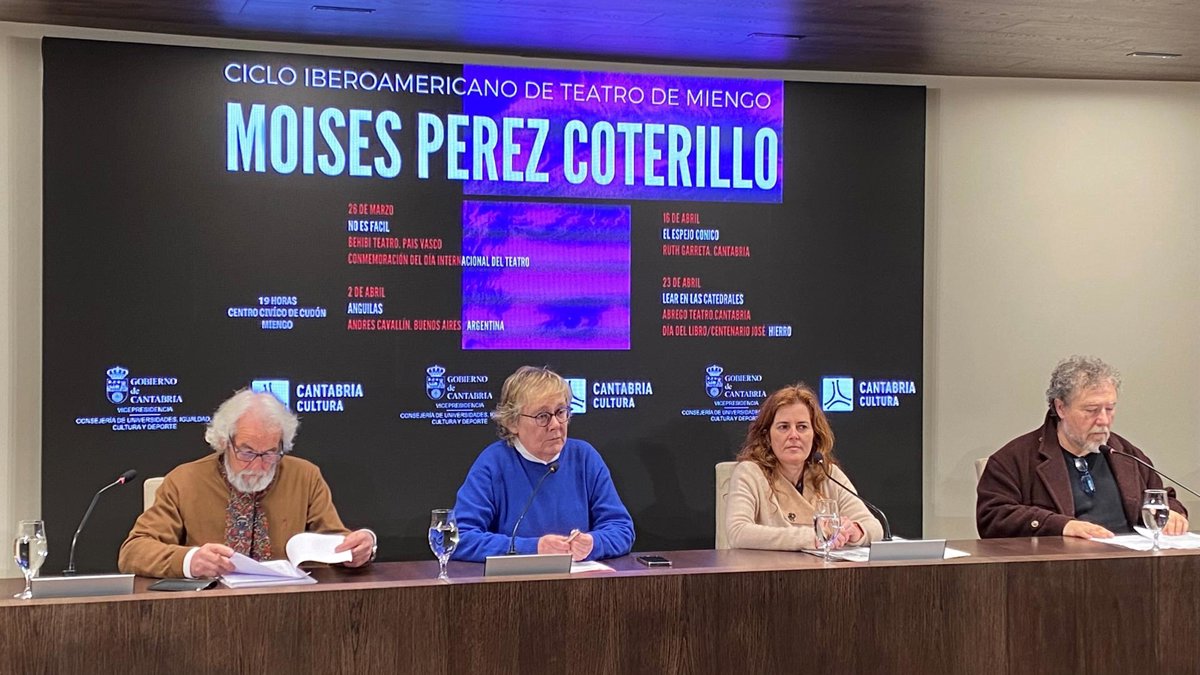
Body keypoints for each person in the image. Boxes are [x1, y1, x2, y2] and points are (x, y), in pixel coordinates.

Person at [117, 390, 376, 578]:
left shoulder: (305, 476)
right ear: (224, 442)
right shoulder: (184, 480)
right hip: (206, 612)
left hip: (289, 608)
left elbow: (335, 541)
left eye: (270, 453)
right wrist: (189, 560)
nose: (258, 465)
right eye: (247, 452)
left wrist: (359, 548)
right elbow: (133, 552)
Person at [977, 356, 1189, 539]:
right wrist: (1062, 526)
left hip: (1132, 563)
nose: (1103, 420)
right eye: (1091, 410)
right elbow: (993, 517)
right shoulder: (1015, 459)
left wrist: (1172, 513)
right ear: (1061, 408)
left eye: (1109, 409)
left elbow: (1161, 496)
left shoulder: (1126, 454)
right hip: (1062, 567)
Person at [451, 366, 635, 562]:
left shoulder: (584, 457)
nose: (555, 424)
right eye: (542, 416)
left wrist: (593, 543)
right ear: (512, 423)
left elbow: (622, 529)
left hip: (579, 578)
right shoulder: (494, 463)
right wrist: (533, 548)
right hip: (515, 581)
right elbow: (458, 538)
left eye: (561, 412)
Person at [725, 383, 883, 550]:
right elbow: (738, 532)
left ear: (814, 435)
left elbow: (875, 527)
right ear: (767, 436)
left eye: (802, 427)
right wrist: (812, 537)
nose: (794, 435)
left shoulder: (827, 473)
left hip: (821, 567)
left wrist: (855, 531)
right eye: (784, 427)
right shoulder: (750, 473)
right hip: (768, 567)